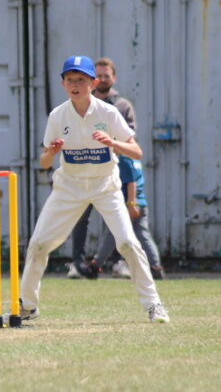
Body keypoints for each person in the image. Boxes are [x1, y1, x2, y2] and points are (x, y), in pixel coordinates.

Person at [18, 55, 169, 324]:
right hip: (68, 187)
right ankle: (27, 306)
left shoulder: (108, 113)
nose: (75, 85)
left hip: (105, 186)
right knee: (38, 245)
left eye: (81, 80)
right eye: (70, 80)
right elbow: (43, 162)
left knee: (128, 243)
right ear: (63, 83)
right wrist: (51, 152)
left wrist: (113, 143)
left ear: (93, 83)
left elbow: (137, 151)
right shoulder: (57, 115)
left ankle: (154, 305)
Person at [67, 57, 165, 280]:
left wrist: (109, 142)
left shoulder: (121, 106)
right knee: (80, 217)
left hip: (113, 172)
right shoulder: (81, 103)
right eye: (99, 75)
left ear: (114, 78)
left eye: (106, 76)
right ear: (93, 79)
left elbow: (130, 142)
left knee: (119, 222)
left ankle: (121, 263)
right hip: (86, 171)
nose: (102, 79)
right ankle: (78, 263)